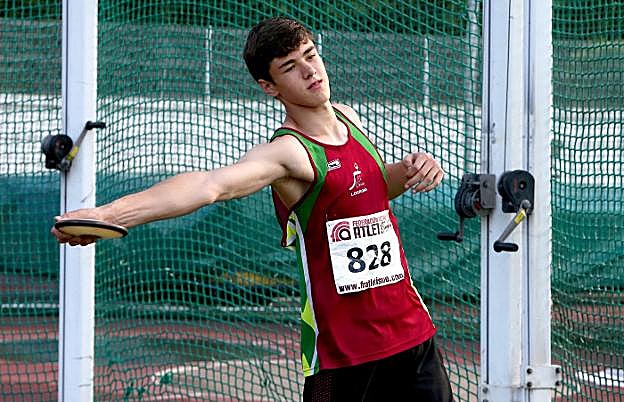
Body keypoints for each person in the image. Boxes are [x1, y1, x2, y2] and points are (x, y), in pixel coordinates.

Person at [52, 16, 454, 402]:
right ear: (269, 86)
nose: (310, 71)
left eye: (310, 55)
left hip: (413, 334)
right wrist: (112, 215)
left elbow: (369, 190)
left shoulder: (350, 120)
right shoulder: (288, 153)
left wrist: (410, 171)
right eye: (290, 67)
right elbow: (210, 185)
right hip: (346, 354)